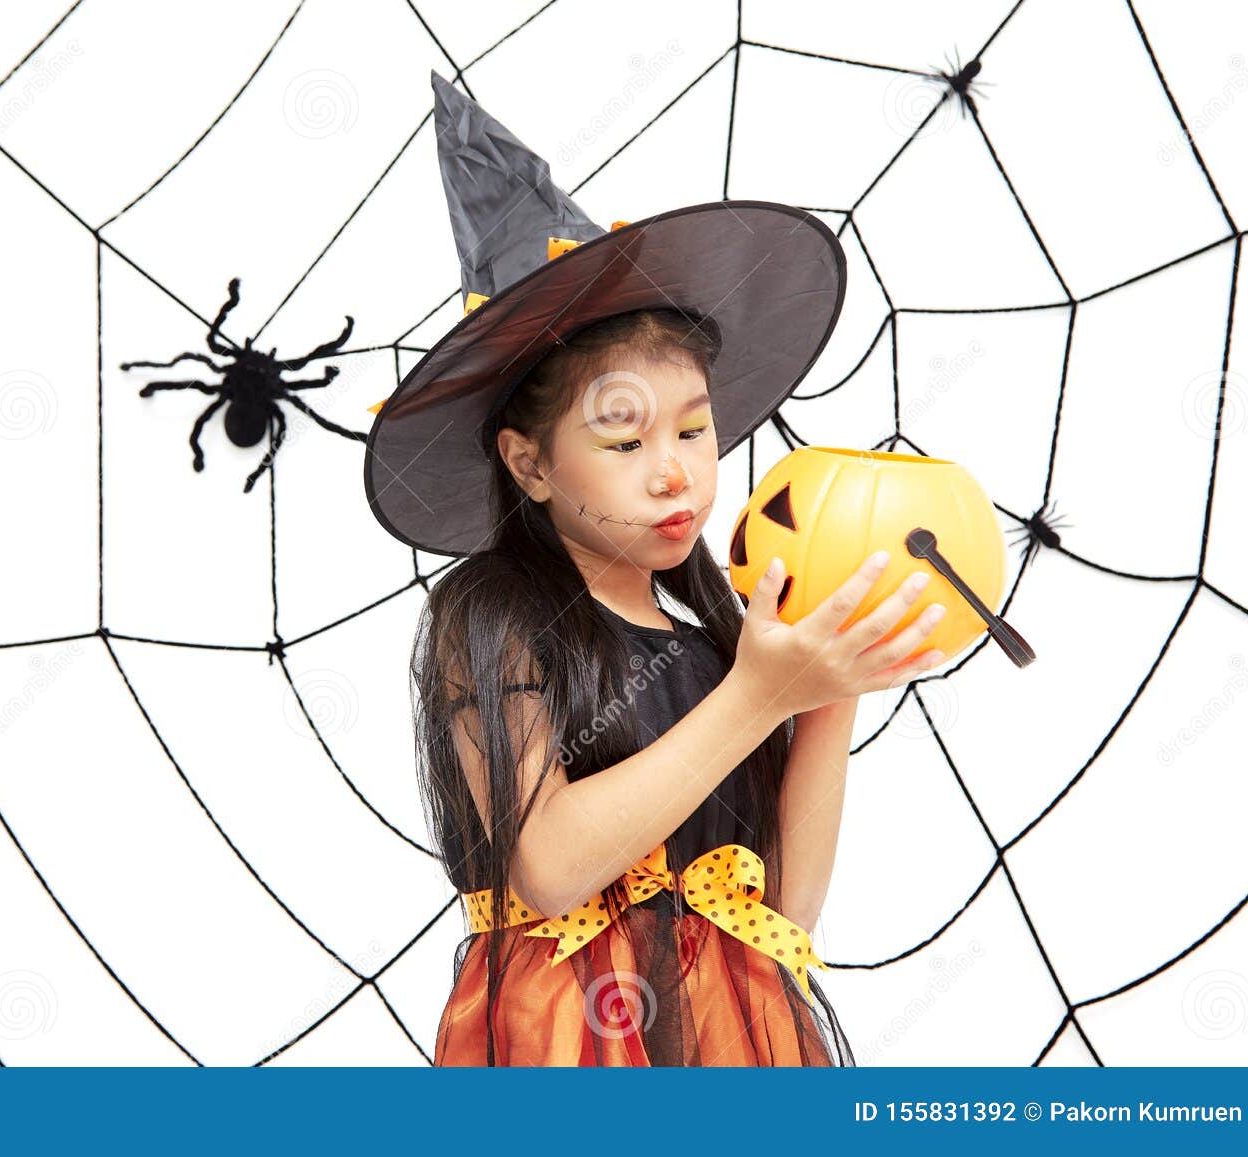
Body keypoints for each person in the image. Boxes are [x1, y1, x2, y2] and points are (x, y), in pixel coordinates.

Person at [361, 72, 942, 1065]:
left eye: (695, 426)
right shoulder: (490, 615)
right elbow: (545, 865)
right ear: (531, 462)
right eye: (623, 442)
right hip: (567, 1041)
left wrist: (830, 693)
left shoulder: (715, 636)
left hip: (738, 1034)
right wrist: (759, 694)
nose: (675, 469)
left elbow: (785, 910)